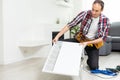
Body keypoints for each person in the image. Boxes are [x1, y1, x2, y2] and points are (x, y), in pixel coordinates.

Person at [53, 0, 110, 70]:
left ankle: (89, 61)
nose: (93, 12)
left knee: (94, 67)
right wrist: (57, 36)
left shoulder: (105, 20)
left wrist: (87, 43)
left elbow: (102, 38)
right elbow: (70, 25)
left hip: (92, 43)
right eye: (92, 9)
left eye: (96, 11)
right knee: (60, 43)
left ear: (102, 10)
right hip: (81, 39)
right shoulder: (85, 14)